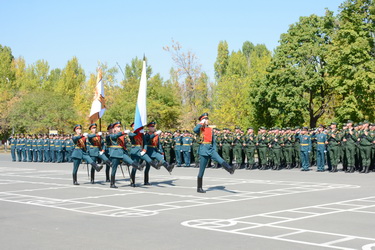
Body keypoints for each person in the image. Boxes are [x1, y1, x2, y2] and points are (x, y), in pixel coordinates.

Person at [193, 113, 235, 193]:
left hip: (211, 149)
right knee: (202, 170)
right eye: (205, 119)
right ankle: (199, 187)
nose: (207, 121)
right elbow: (195, 130)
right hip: (203, 149)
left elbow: (213, 140)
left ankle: (230, 169)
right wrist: (201, 123)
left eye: (207, 119)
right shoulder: (200, 129)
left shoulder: (210, 129)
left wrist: (214, 149)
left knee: (220, 159)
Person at [108, 121, 143, 188]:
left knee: (131, 161)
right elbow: (116, 136)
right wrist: (123, 132)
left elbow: (125, 144)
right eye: (118, 127)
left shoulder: (122, 135)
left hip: (122, 152)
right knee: (114, 169)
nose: (119, 128)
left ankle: (139, 166)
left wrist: (138, 132)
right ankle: (112, 183)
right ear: (114, 128)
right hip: (115, 153)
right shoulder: (112, 135)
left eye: (120, 126)